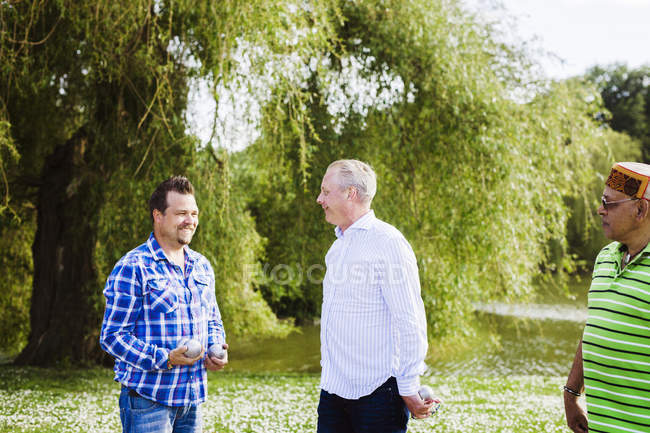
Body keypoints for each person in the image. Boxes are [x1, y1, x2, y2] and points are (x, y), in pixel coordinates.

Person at [315, 159, 436, 433]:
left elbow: (410, 321)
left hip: (379, 397)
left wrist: (408, 387)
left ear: (350, 193)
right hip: (333, 394)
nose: (319, 198)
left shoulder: (388, 243)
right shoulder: (337, 248)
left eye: (326, 191)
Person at [100, 176, 228, 433]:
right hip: (149, 401)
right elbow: (112, 337)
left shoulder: (201, 266)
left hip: (191, 399)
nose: (190, 220)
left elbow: (212, 319)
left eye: (194, 213)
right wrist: (165, 359)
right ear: (158, 216)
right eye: (181, 213)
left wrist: (216, 348)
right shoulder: (133, 266)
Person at [564, 162, 650, 433]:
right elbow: (595, 327)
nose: (600, 210)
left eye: (608, 203)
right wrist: (571, 393)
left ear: (641, 209)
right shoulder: (606, 257)